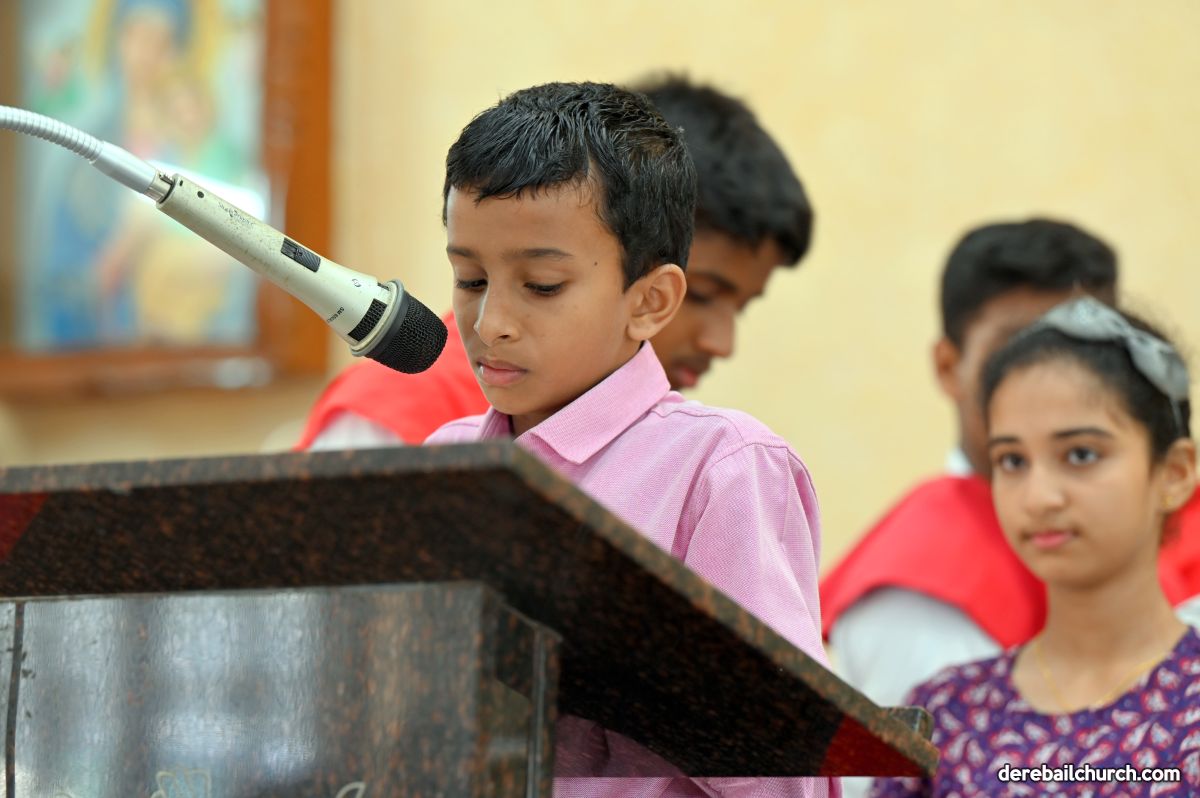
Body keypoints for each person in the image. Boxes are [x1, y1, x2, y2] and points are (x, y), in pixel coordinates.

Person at [424, 81, 834, 797]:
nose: (491, 324)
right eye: (471, 279)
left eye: (542, 285)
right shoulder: (440, 465)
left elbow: (781, 770)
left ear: (649, 301)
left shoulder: (722, 470)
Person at [298, 74, 813, 450]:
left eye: (741, 307)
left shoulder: (719, 463)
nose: (721, 343)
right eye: (704, 295)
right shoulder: (406, 418)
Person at [871, 297, 1200, 797]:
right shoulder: (947, 715)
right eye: (1012, 460)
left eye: (1081, 454)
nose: (1039, 497)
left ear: (1174, 474)